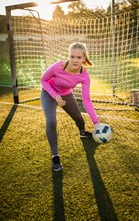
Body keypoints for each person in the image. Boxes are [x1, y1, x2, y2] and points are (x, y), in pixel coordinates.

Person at [40, 42, 100, 171]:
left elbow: (87, 100)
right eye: (72, 56)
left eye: (78, 57)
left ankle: (83, 132)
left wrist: (96, 122)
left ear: (84, 58)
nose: (74, 60)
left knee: (79, 118)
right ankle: (55, 156)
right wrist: (54, 95)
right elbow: (43, 80)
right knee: (51, 121)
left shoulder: (84, 76)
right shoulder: (58, 66)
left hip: (66, 95)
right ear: (69, 56)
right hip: (48, 93)